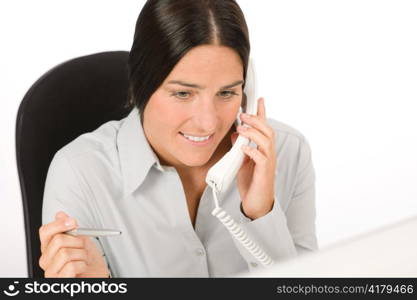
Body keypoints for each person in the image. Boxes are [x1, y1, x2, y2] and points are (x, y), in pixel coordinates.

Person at [38, 0, 318, 278]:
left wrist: (261, 216)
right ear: (140, 86)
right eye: (183, 94)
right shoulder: (80, 172)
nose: (208, 122)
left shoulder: (288, 151)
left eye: (226, 93)